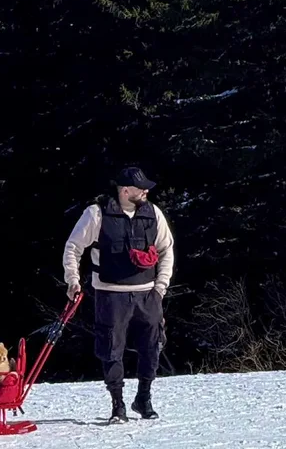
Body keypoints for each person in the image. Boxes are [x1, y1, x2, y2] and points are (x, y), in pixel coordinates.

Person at [62, 167, 175, 423]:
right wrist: (73, 280)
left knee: (152, 347)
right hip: (110, 294)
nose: (146, 191)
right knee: (111, 349)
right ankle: (118, 405)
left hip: (148, 294)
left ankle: (143, 398)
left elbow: (166, 249)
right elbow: (73, 247)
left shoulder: (153, 213)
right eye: (140, 188)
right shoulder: (96, 214)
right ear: (125, 190)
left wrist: (160, 287)